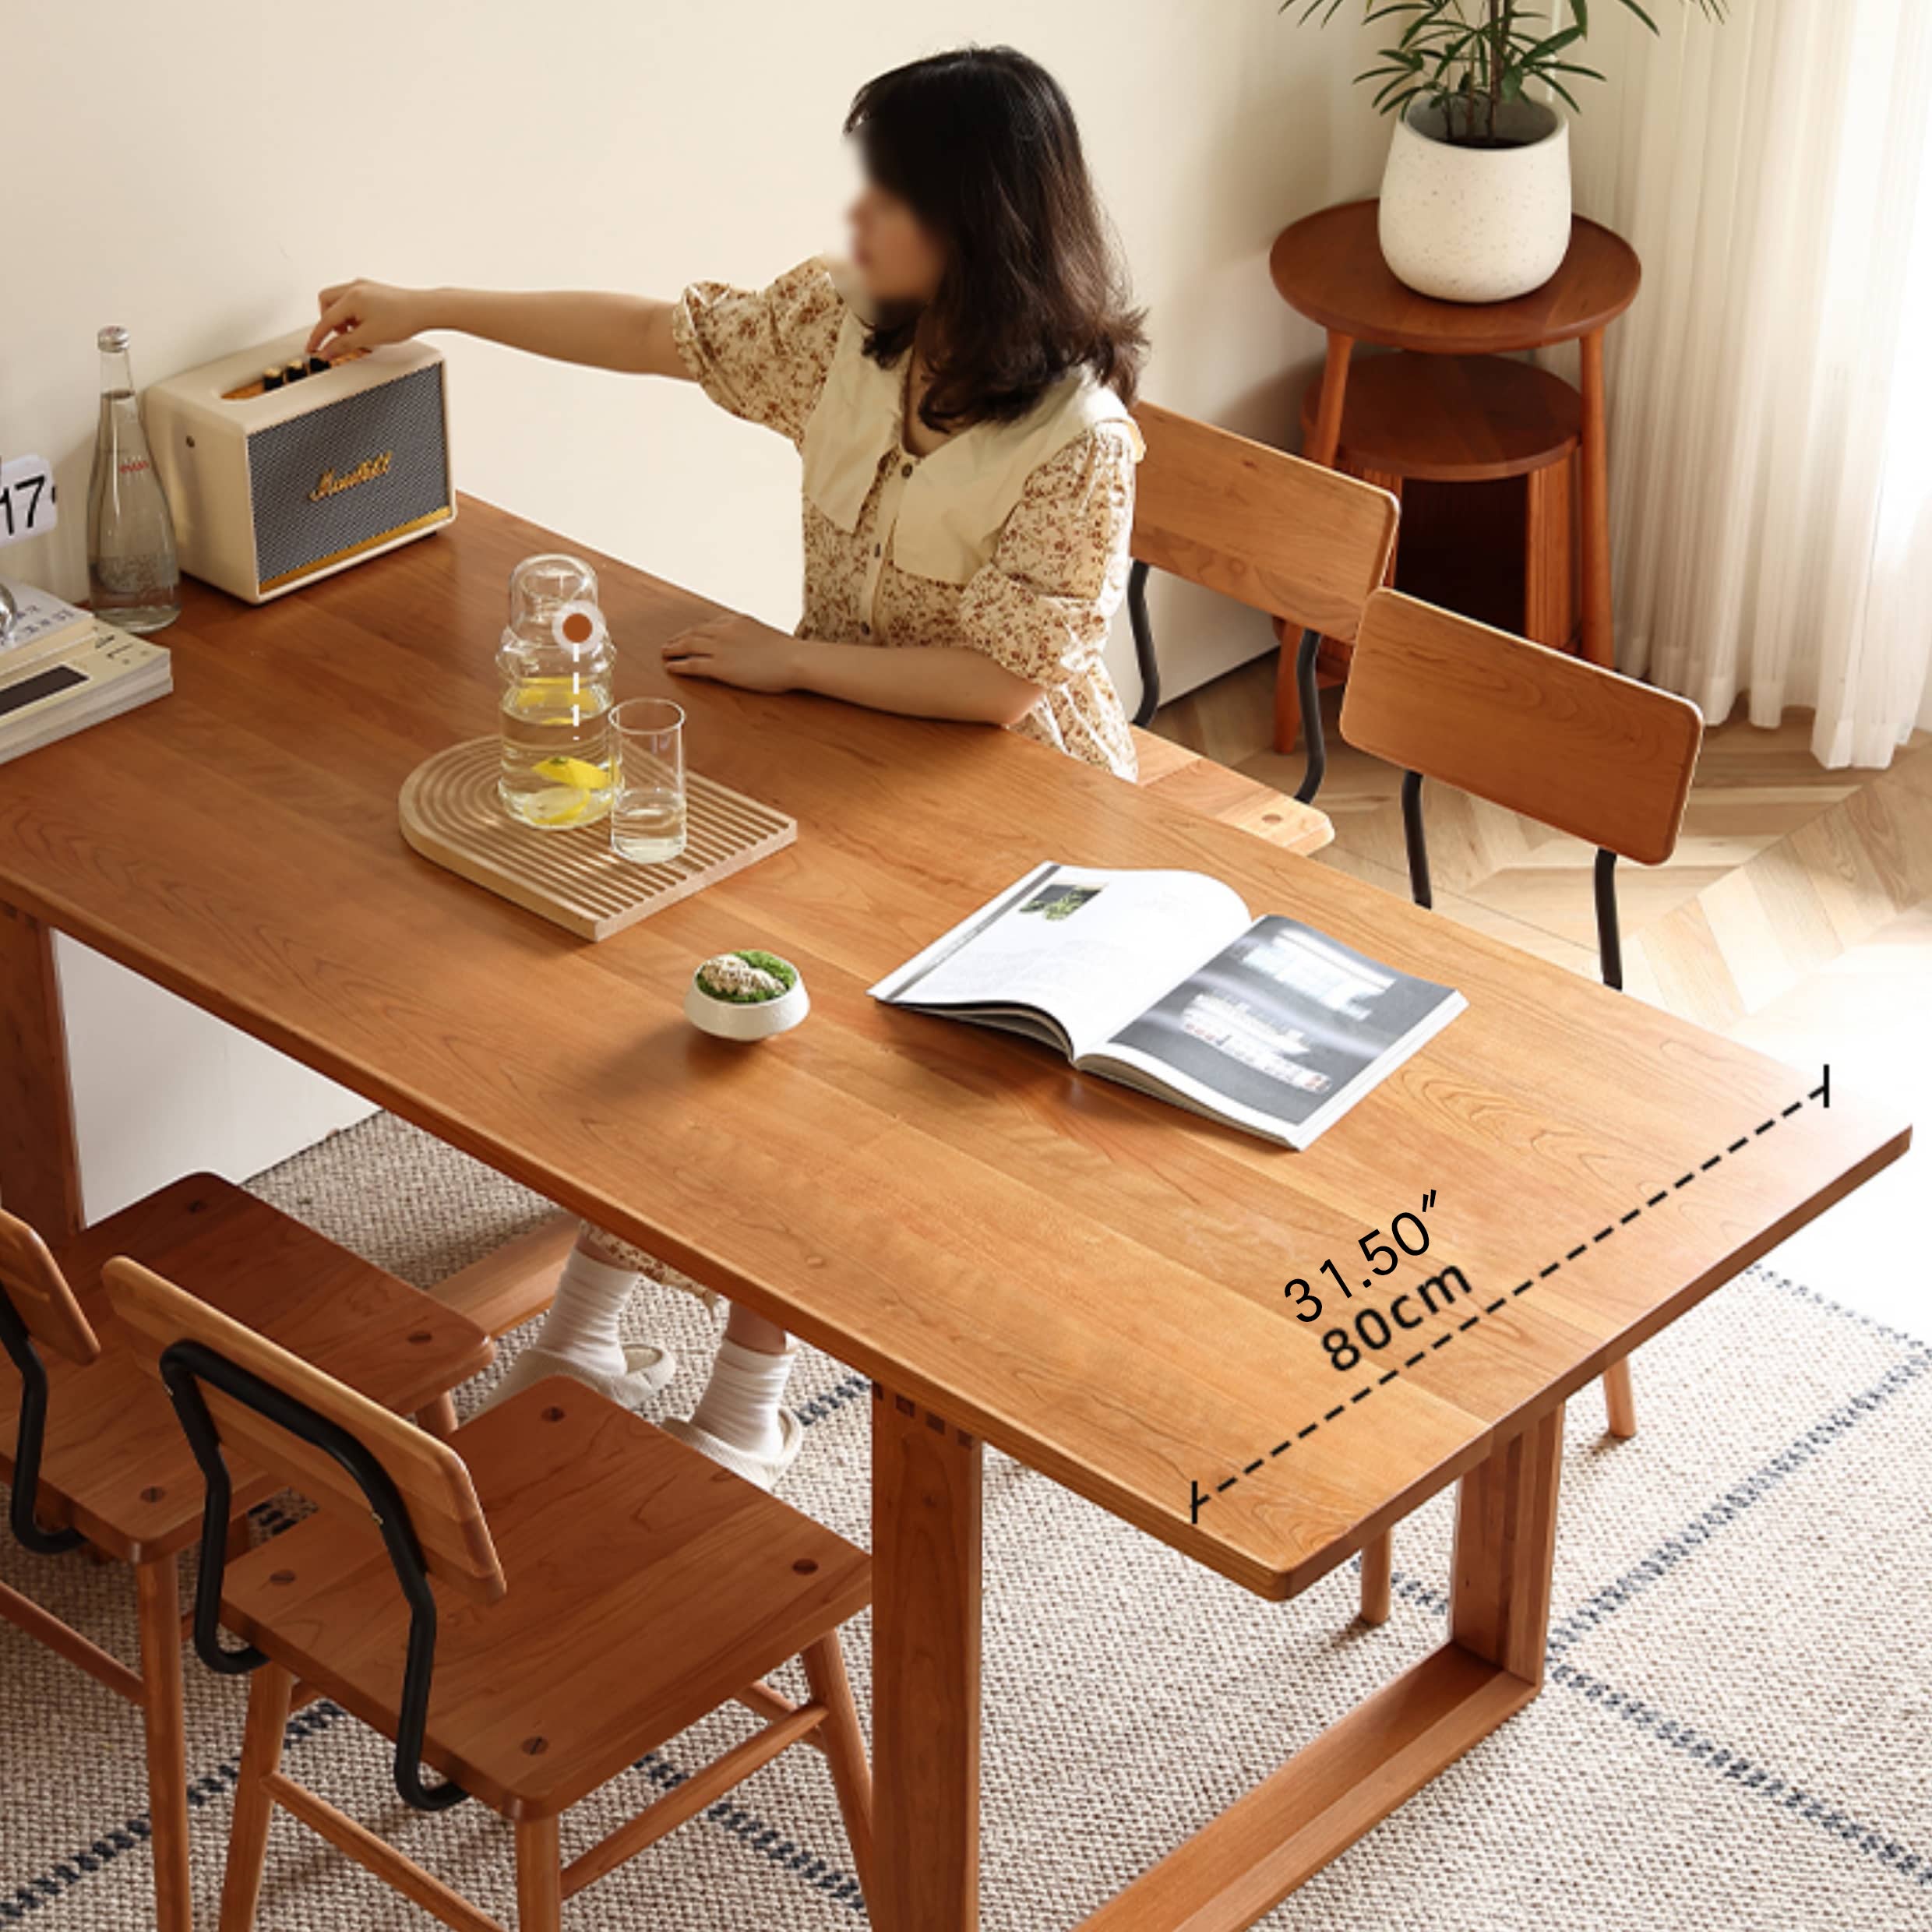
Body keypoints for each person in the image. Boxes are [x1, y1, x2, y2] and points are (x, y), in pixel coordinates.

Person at [309, 44, 1148, 1487]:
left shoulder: (1085, 442)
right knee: (695, 972)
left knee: (798, 1051)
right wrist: (428, 305)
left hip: (1011, 799)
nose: (855, 223)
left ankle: (748, 1383)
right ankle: (592, 1306)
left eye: (887, 196)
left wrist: (788, 660)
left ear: (978, 217)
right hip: (829, 738)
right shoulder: (844, 325)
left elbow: (1003, 691)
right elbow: (653, 332)